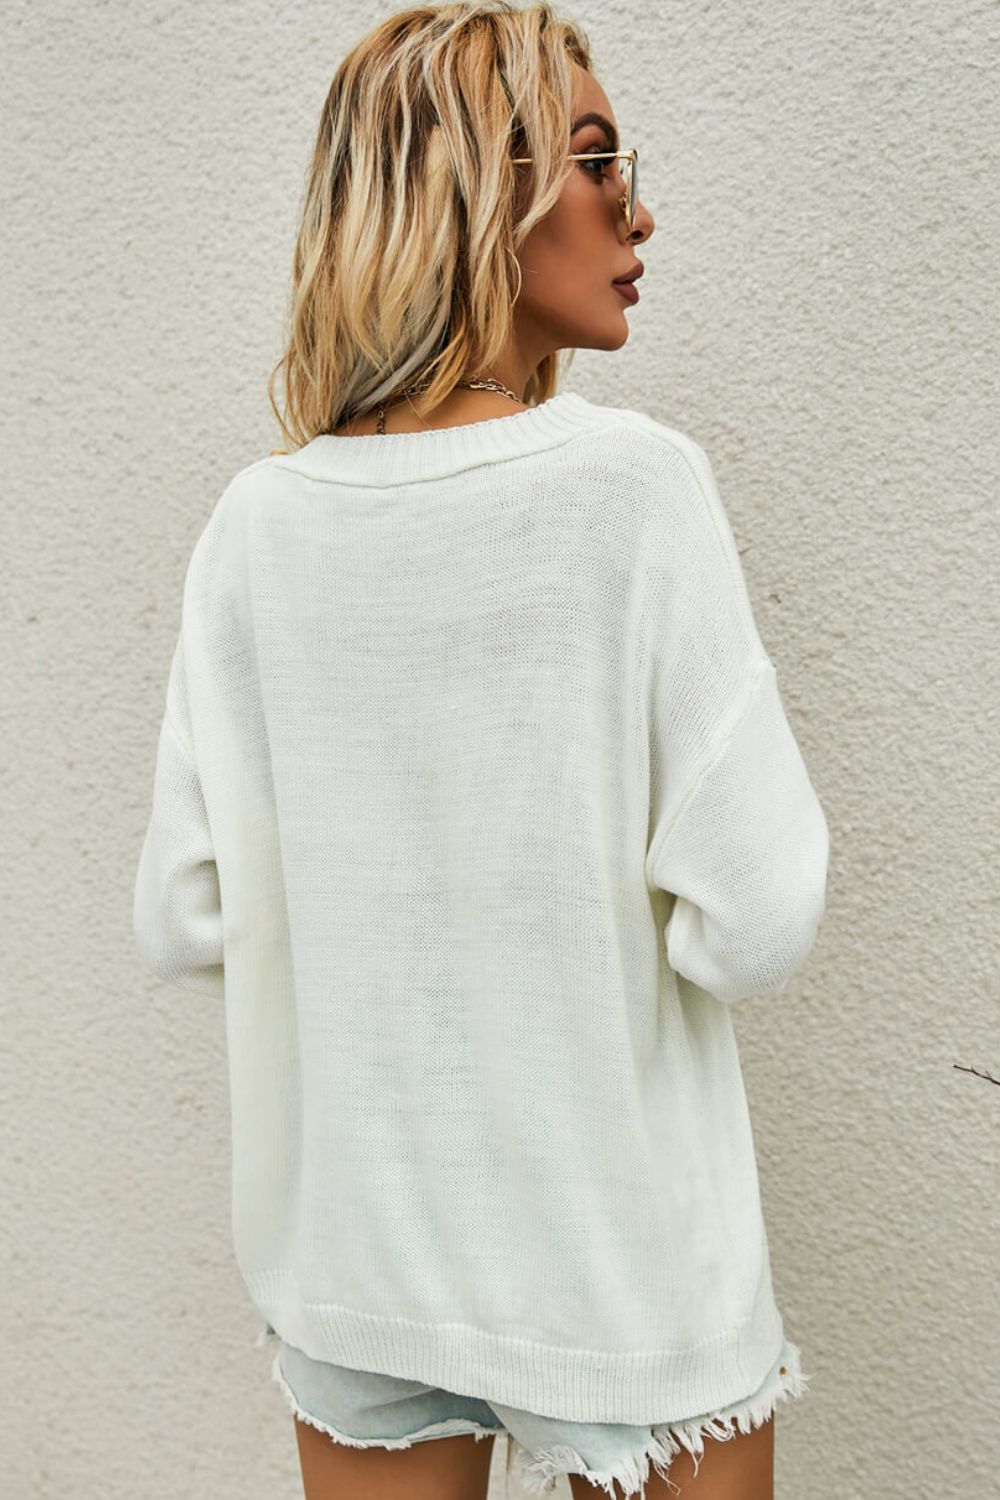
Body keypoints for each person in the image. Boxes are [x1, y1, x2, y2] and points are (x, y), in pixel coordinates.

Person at [133, 3, 829, 1497]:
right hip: (619, 1280)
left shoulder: (256, 528)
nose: (637, 210)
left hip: (355, 1265)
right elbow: (758, 920)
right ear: (475, 189)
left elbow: (183, 915)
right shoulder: (632, 489)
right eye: (599, 159)